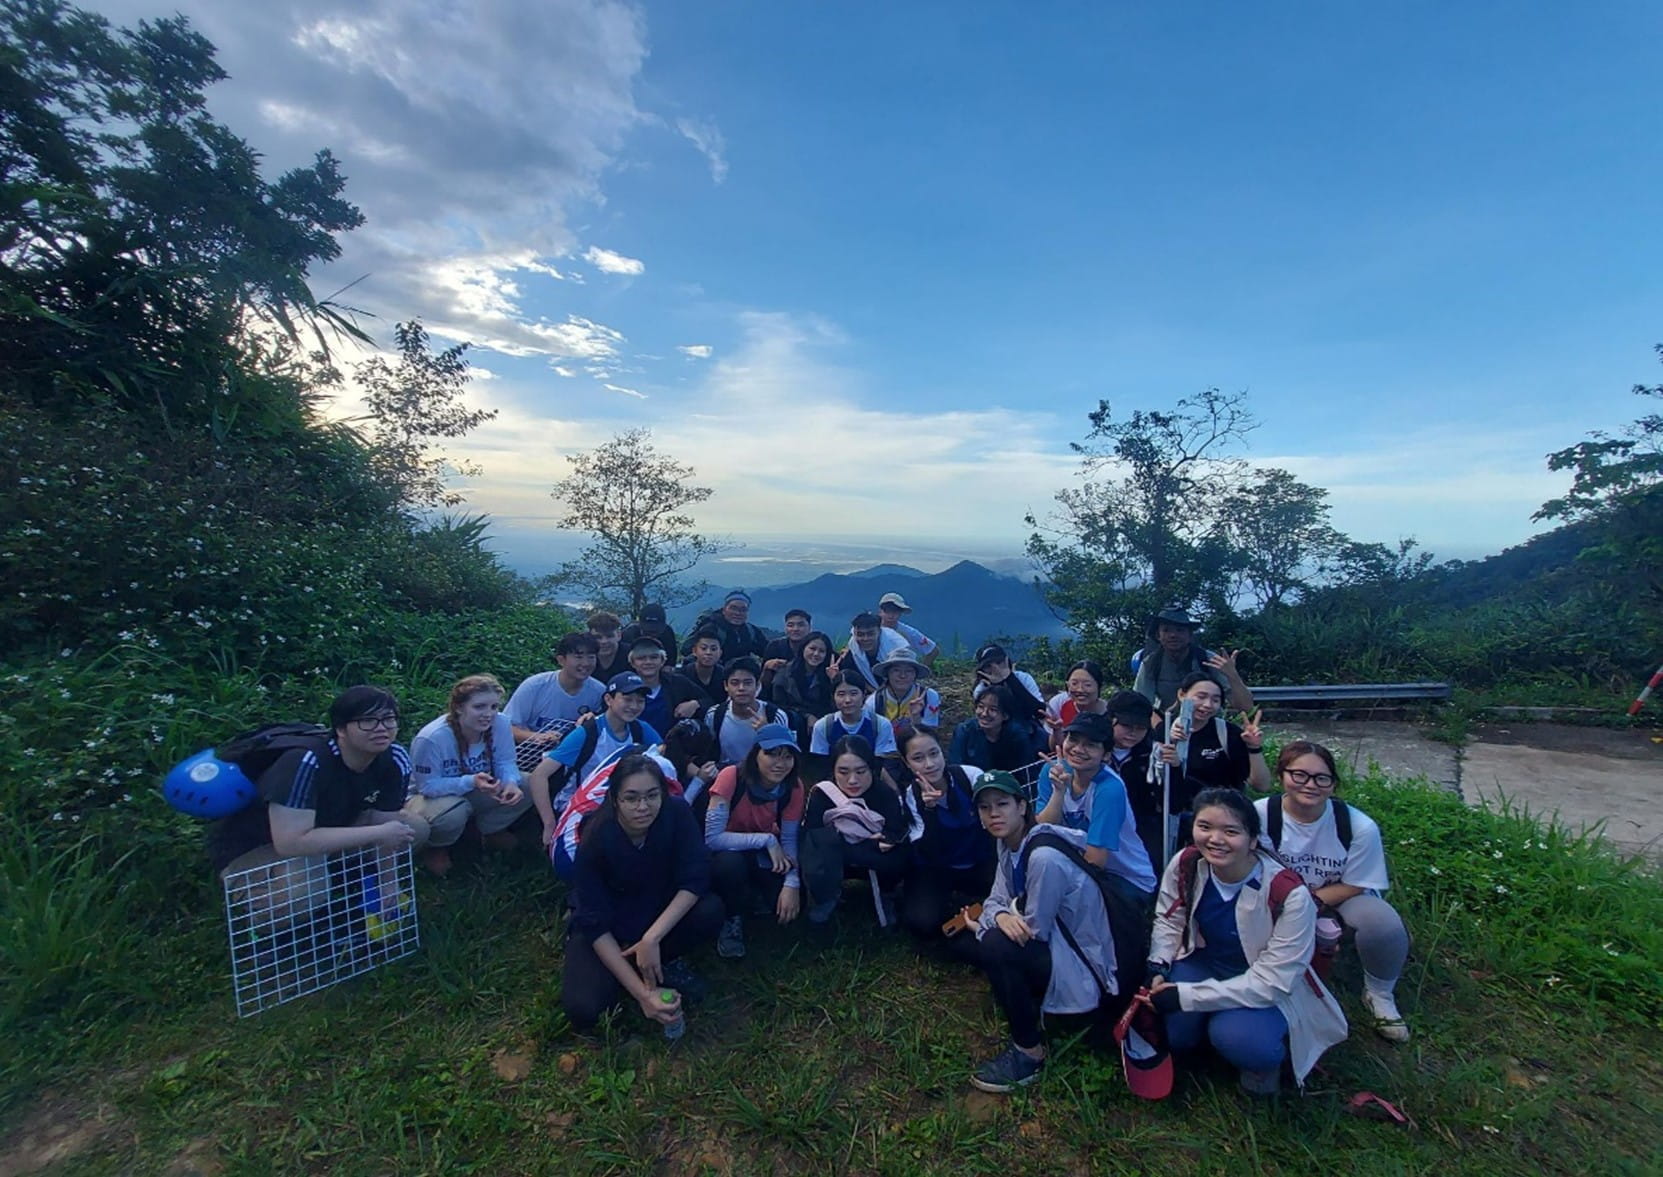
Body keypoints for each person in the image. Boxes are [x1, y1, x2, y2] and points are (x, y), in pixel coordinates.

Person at [1147, 787, 1348, 1094]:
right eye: (1205, 827)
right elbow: (1170, 916)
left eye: (1231, 831)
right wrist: (1158, 962)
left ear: (1253, 839)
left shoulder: (1289, 894)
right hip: (1205, 961)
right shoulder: (1188, 863)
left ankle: (1263, 1069)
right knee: (1173, 1030)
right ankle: (1202, 1034)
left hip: (1262, 980)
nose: (1215, 839)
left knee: (1241, 1039)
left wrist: (1186, 996)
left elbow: (1273, 982)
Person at [208, 686, 431, 925]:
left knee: (413, 829)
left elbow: (389, 826)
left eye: (388, 719)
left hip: (325, 833)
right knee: (302, 895)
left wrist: (389, 884)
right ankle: (258, 907)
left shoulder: (394, 757)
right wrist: (378, 832)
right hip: (258, 847)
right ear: (341, 729)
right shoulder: (306, 762)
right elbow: (290, 841)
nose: (381, 728)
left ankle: (340, 880)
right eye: (367, 721)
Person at [965, 771, 1121, 1093]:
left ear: (1022, 807)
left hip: (1083, 964)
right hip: (1056, 945)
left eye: (1002, 804)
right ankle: (1028, 998)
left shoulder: (1043, 857)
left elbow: (1033, 931)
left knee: (994, 944)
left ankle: (1029, 1052)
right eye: (985, 807)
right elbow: (996, 898)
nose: (994, 813)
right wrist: (999, 915)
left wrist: (992, 921)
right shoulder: (1008, 844)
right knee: (977, 938)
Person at [1255, 742, 1412, 1043]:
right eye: (1299, 775)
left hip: (1337, 897)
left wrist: (1307, 903)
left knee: (1383, 924)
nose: (1310, 785)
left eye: (1321, 778)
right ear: (1281, 777)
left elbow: (1355, 884)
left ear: (1333, 784)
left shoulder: (1358, 826)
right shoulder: (1259, 815)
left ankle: (1379, 993)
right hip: (1276, 897)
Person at [560, 754, 723, 1033]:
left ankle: (660, 960)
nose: (643, 807)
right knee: (583, 1009)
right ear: (615, 799)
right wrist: (643, 995)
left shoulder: (677, 813)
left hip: (657, 910)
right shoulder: (596, 835)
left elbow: (695, 877)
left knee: (711, 909)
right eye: (631, 798)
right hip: (611, 924)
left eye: (651, 796)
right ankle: (639, 975)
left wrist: (652, 938)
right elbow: (594, 920)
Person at [406, 674, 533, 877]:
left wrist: (510, 782)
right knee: (454, 810)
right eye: (479, 707)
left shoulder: (500, 724)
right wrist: (470, 781)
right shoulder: (432, 738)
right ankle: (438, 846)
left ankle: (487, 831)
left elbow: (505, 761)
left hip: (478, 786)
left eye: (494, 707)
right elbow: (427, 786)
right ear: (458, 708)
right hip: (430, 798)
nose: (488, 714)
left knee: (528, 784)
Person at [703, 724, 805, 958]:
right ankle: (732, 918)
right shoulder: (731, 776)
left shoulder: (794, 787)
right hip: (728, 851)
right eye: (771, 754)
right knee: (730, 866)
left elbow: (789, 839)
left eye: (787, 757)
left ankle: (754, 896)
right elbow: (712, 839)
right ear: (755, 754)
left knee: (791, 904)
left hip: (766, 852)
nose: (780, 764)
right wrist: (766, 839)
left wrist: (792, 884)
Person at [895, 726, 992, 963]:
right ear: (907, 763)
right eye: (918, 758)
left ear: (943, 752)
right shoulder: (909, 798)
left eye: (934, 753)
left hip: (978, 860)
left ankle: (969, 907)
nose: (929, 764)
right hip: (936, 868)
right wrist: (929, 811)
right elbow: (928, 850)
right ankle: (961, 909)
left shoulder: (969, 776)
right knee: (921, 923)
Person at [1034, 714, 1158, 895]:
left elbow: (1096, 859)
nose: (1078, 749)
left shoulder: (1109, 788)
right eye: (1073, 740)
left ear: (1106, 755)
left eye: (1090, 745)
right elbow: (1043, 827)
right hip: (1082, 866)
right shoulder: (1053, 770)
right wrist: (1058, 792)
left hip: (1125, 878)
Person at [1151, 673, 1271, 858]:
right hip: (1175, 826)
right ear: (1182, 695)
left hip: (1222, 823)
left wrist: (1254, 748)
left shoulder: (1227, 734)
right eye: (1201, 697)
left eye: (1215, 700)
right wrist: (1171, 743)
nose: (1207, 705)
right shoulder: (1163, 731)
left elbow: (1261, 785)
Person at [527, 672, 663, 835]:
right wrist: (549, 824)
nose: (634, 706)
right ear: (608, 700)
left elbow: (663, 751)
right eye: (627, 699)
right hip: (580, 807)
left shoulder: (640, 729)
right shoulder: (587, 732)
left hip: (619, 804)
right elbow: (539, 775)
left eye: (640, 701)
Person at [799, 736, 910, 926]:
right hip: (836, 858)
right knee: (819, 847)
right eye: (843, 772)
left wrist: (884, 842)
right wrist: (868, 844)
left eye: (860, 771)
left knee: (898, 855)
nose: (852, 780)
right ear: (833, 771)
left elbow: (895, 832)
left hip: (875, 859)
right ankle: (826, 897)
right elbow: (812, 836)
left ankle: (886, 894)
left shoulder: (884, 794)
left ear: (872, 768)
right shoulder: (822, 795)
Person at [547, 747, 683, 881]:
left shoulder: (630, 749)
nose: (642, 805)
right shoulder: (661, 769)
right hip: (574, 855)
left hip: (563, 839)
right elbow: (676, 811)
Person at [1132, 605, 1255, 713]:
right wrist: (1160, 727)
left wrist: (1233, 675)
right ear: (1158, 635)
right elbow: (1141, 705)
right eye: (1166, 630)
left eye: (1180, 630)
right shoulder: (1151, 663)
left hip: (1208, 725)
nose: (1173, 635)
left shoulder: (1209, 660)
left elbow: (1246, 707)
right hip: (1167, 724)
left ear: (1190, 635)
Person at [504, 632, 604, 747]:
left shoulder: (598, 692)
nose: (586, 663)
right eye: (578, 657)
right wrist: (537, 737)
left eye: (591, 657)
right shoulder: (535, 686)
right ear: (561, 660)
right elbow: (506, 727)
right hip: (527, 752)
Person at [1098, 690, 1161, 866]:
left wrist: (1174, 768)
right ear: (1111, 720)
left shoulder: (1153, 755)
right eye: (1126, 726)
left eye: (1141, 728)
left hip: (1141, 826)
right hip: (1098, 822)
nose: (1133, 733)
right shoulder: (1093, 749)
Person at [704, 656, 791, 768]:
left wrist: (768, 732)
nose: (741, 688)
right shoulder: (715, 714)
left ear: (757, 685)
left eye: (748, 683)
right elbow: (708, 752)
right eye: (735, 683)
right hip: (726, 774)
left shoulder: (775, 715)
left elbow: (785, 756)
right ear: (726, 686)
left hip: (761, 775)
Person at [971, 644, 1048, 754]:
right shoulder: (981, 690)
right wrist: (997, 685)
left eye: (999, 662)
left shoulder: (1023, 678)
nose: (996, 669)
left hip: (1029, 733)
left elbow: (1039, 712)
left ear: (1007, 661)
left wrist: (1009, 679)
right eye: (988, 666)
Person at [809, 671, 898, 765]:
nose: (848, 700)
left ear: (864, 695)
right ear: (833, 697)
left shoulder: (881, 724)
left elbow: (884, 763)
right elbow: (820, 764)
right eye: (841, 694)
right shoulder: (823, 726)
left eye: (854, 693)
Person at [947, 685, 1034, 774]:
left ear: (1005, 715)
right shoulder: (964, 730)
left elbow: (1026, 772)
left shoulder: (1017, 735)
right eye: (981, 707)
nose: (984, 714)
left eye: (993, 709)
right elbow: (956, 768)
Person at [626, 635, 704, 733]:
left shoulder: (678, 683)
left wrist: (695, 704)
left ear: (662, 661)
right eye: (641, 658)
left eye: (654, 657)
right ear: (632, 663)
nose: (648, 662)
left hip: (672, 745)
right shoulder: (624, 687)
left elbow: (708, 701)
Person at [767, 628, 835, 732]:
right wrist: (807, 716)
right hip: (792, 723)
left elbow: (833, 705)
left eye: (821, 651)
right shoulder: (785, 672)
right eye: (812, 649)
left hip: (822, 722)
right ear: (803, 648)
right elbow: (779, 703)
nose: (816, 654)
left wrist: (834, 681)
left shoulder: (828, 675)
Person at [682, 589, 770, 663]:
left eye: (743, 610)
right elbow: (687, 650)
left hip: (740, 677)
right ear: (724, 610)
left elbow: (767, 651)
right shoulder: (712, 628)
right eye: (733, 608)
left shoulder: (751, 631)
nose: (738, 613)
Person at [866, 646, 941, 733]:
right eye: (896, 670)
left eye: (909, 671)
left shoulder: (928, 696)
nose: (902, 676)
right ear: (887, 674)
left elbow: (930, 735)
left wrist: (916, 717)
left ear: (915, 675)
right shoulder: (874, 702)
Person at [1045, 660, 1110, 752]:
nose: (1080, 689)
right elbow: (1054, 749)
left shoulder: (1110, 712)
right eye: (1074, 684)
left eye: (1087, 685)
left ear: (1100, 687)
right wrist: (1056, 730)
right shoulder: (1059, 703)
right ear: (1067, 685)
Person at [834, 611, 906, 693]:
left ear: (879, 631)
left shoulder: (897, 646)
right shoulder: (853, 651)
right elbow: (853, 678)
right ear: (854, 633)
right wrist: (876, 694)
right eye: (860, 634)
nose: (865, 639)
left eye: (870, 634)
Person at [877, 592, 939, 667]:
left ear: (901, 612)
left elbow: (933, 650)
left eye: (895, 611)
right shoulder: (870, 629)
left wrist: (918, 672)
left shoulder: (909, 632)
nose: (891, 614)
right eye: (887, 610)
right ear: (880, 611)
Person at [760, 608, 813, 690]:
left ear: (810, 628)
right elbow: (763, 684)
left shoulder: (816, 648)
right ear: (785, 628)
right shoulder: (775, 647)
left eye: (801, 625)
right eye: (790, 625)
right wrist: (767, 668)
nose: (795, 629)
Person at [677, 627, 727, 710]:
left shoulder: (725, 675)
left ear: (720, 653)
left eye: (713, 649)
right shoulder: (681, 675)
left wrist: (699, 703)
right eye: (703, 648)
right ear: (694, 651)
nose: (708, 653)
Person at [588, 610, 632, 684]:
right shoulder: (584, 657)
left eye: (609, 636)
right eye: (598, 637)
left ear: (619, 635)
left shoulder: (632, 655)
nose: (604, 641)